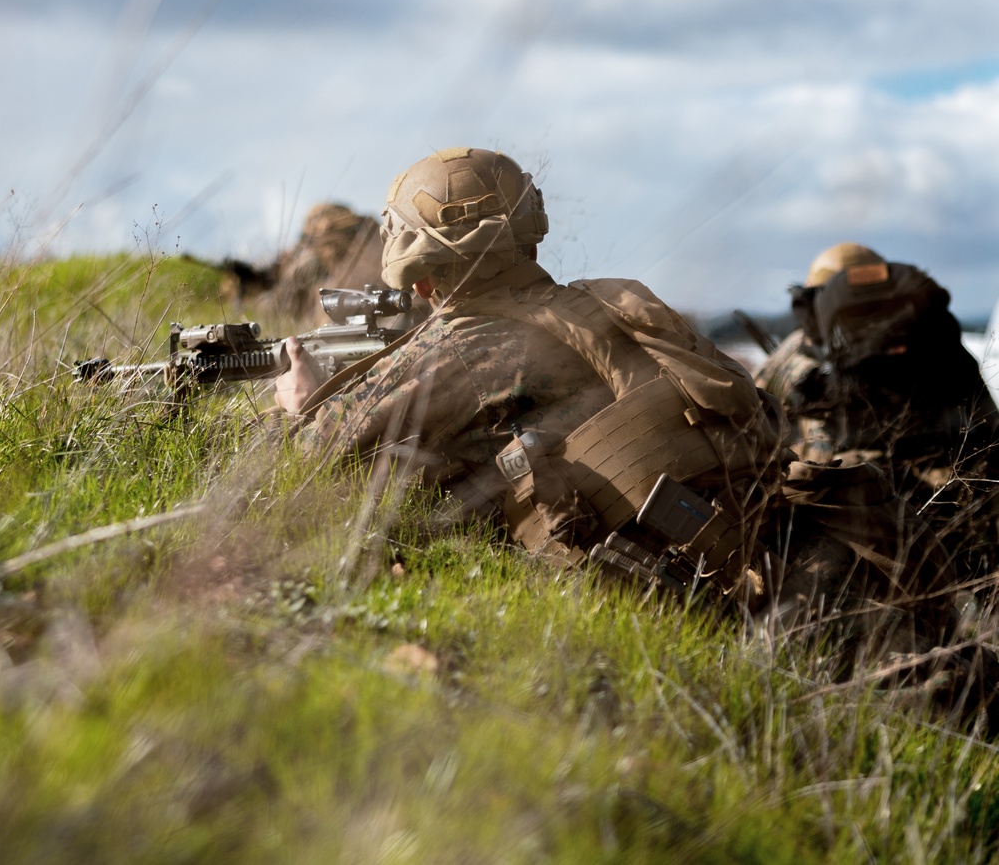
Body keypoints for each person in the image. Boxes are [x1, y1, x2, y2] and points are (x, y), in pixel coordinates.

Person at [272, 149, 965, 675]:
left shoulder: (459, 346)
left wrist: (301, 403)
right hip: (794, 565)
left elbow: (306, 466)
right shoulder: (616, 302)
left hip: (703, 616)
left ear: (417, 259)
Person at [755, 242, 999, 573]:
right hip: (959, 500)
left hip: (852, 507)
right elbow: (986, 422)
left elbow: (751, 418)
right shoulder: (939, 340)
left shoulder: (801, 352)